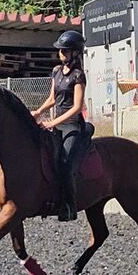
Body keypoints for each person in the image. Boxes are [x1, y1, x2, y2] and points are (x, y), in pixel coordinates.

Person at [32, 30, 87, 221]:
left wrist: (53, 122)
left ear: (75, 53)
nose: (61, 54)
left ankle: (70, 206)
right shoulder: (56, 71)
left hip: (72, 127)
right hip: (56, 126)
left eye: (65, 51)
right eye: (60, 51)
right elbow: (52, 98)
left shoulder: (78, 75)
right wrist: (38, 112)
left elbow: (77, 107)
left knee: (65, 164)